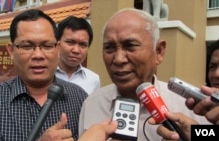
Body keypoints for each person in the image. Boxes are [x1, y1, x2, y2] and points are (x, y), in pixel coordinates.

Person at [78, 8, 210, 141]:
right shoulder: (91, 104)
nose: (118, 59)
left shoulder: (191, 107)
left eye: (130, 46)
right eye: (109, 48)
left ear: (159, 51)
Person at [0, 9, 88, 141]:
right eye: (27, 46)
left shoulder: (80, 98)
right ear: (11, 51)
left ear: (58, 49)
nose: (38, 55)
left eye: (47, 46)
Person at [56, 16, 100, 95]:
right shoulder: (44, 74)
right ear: (58, 44)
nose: (76, 50)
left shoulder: (93, 79)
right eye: (70, 42)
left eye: (83, 44)